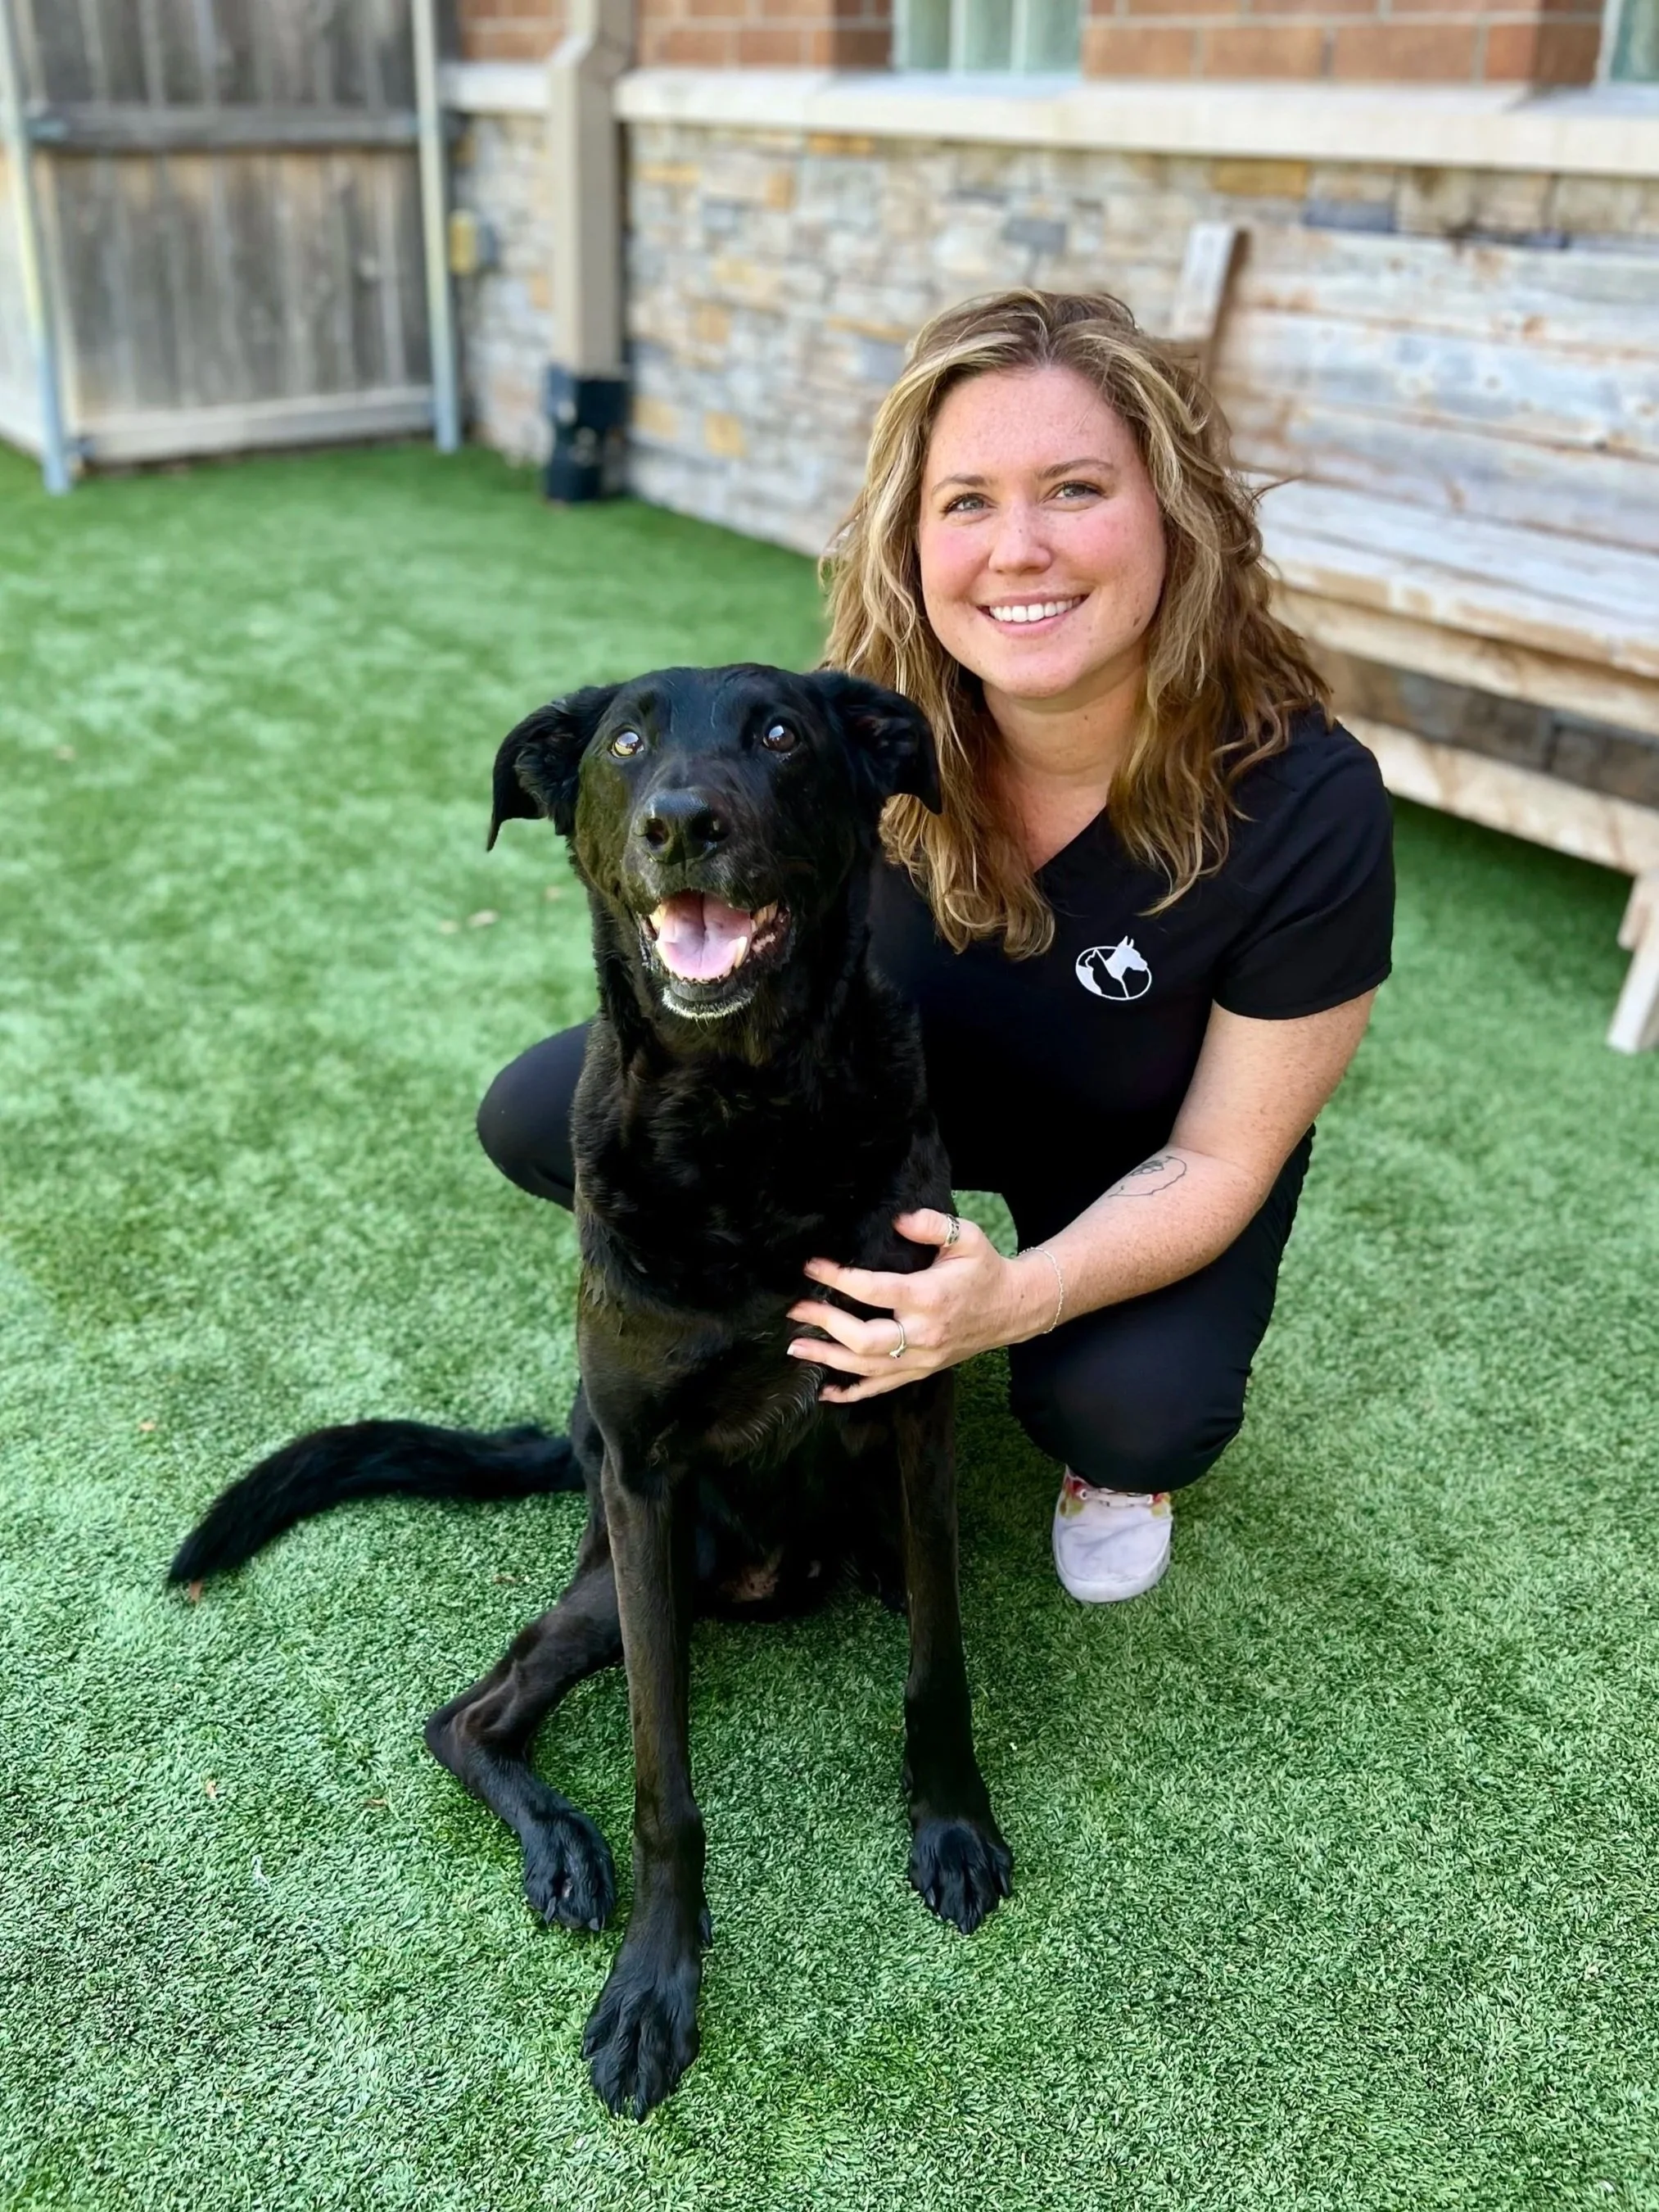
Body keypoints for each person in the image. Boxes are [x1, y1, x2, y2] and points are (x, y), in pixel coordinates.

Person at [477, 289, 1394, 1605]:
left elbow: (1219, 1154)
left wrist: (1013, 1301)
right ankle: (815, 1323)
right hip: (897, 1084)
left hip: (1142, 1138)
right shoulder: (855, 731)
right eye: (964, 501)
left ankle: (1077, 1411)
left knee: (1131, 1410)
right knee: (537, 1112)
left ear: (1173, 516)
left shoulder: (1309, 801)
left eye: (1073, 488)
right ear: (911, 539)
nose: (1015, 549)